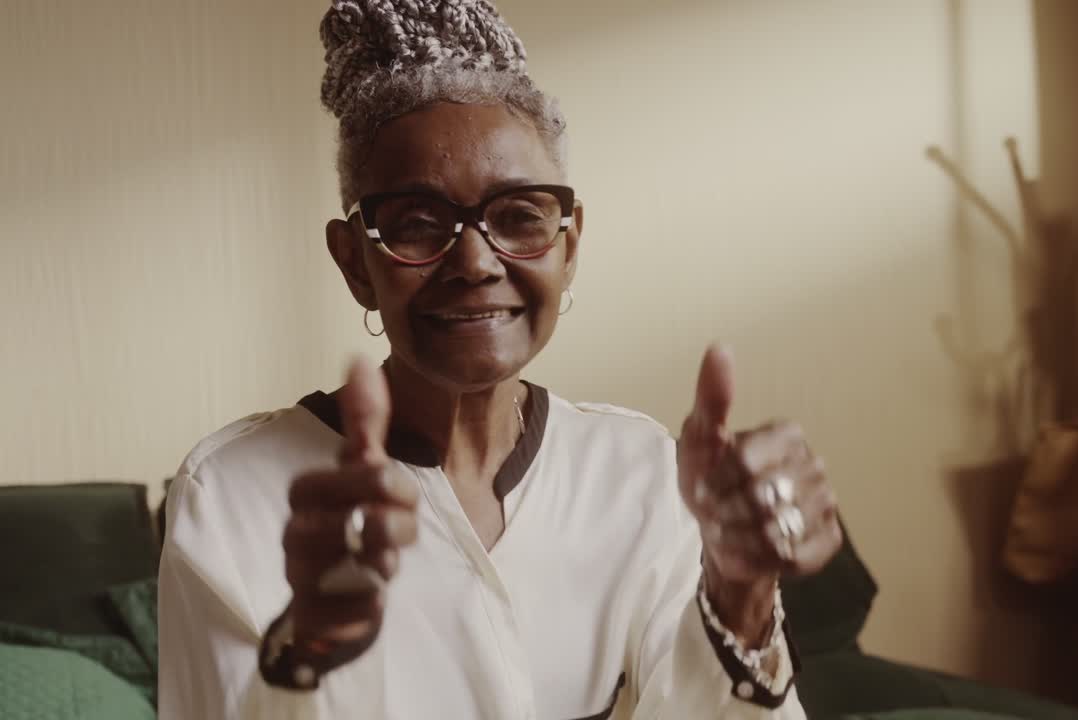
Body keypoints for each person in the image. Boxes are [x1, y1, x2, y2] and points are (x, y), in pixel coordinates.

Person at [157, 1, 842, 717]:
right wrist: (309, 652)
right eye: (418, 225)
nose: (476, 261)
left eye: (519, 217)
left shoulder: (638, 474)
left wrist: (742, 598)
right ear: (355, 260)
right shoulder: (233, 492)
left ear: (568, 247)